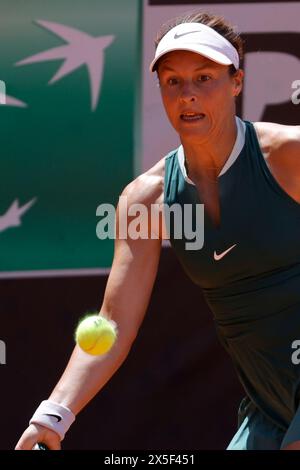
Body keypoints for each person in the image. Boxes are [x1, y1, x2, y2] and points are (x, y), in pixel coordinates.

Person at [16, 10, 300, 450]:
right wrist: (53, 415)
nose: (188, 95)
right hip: (270, 404)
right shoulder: (146, 199)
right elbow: (113, 323)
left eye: (204, 77)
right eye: (173, 81)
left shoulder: (287, 155)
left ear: (237, 82)